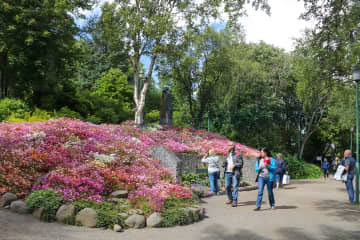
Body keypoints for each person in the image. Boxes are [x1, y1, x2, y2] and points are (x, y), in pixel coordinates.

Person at [222, 142, 244, 207]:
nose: (228, 146)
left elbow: (241, 163)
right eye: (228, 145)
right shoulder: (227, 153)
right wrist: (224, 164)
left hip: (235, 172)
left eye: (229, 145)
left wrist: (234, 165)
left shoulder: (238, 154)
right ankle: (230, 199)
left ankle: (234, 201)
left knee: (235, 187)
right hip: (227, 172)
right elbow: (226, 161)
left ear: (233, 146)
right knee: (227, 186)